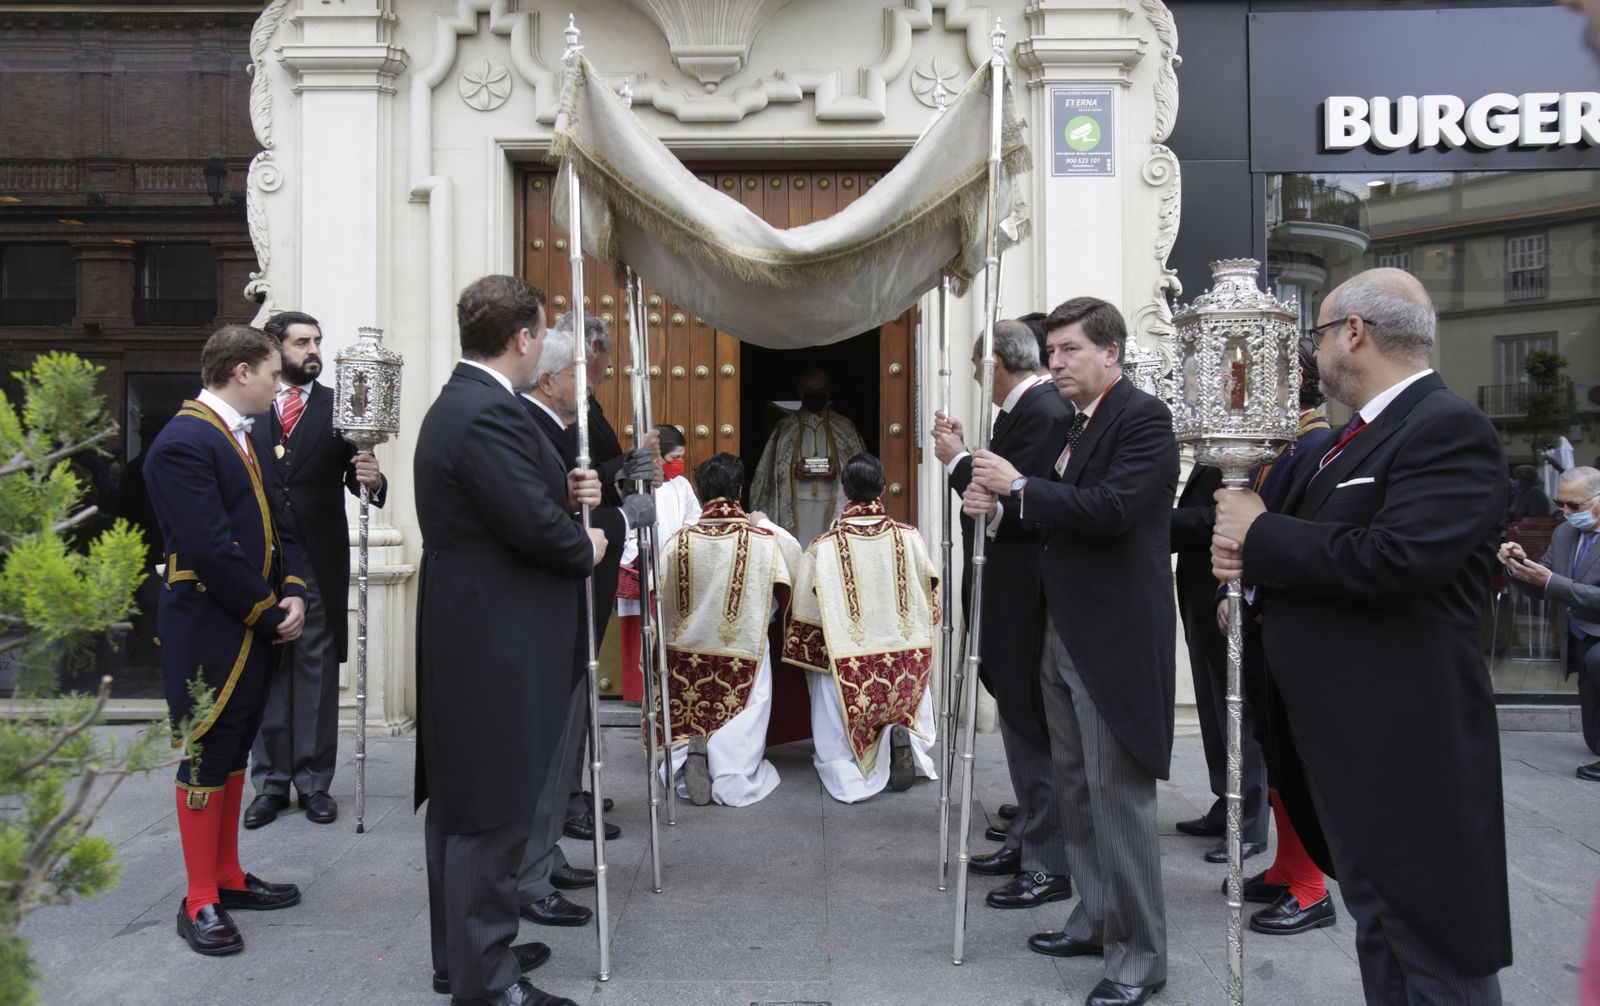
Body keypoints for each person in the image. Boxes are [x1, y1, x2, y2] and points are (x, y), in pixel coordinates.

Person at [1212, 267, 1512, 1003]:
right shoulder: (1351, 440)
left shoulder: (1447, 428)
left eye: (1316, 336)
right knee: (1381, 928)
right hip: (1345, 742)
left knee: (1434, 944)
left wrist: (1261, 534)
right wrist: (1252, 587)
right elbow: (1325, 555)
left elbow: (1400, 558)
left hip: (1405, 741)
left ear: (1354, 331)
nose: (1314, 357)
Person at [966, 297, 1177, 1006]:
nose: (1055, 363)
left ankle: (1141, 958)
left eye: (1069, 351)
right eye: (1050, 351)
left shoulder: (1142, 418)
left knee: (1117, 798)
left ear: (1111, 353)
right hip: (1060, 629)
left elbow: (1114, 508)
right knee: (1078, 788)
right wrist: (1004, 502)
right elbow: (1059, 503)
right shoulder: (1081, 422)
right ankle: (1093, 916)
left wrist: (1020, 487)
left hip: (1109, 635)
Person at [413, 274, 605, 1006]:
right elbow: (537, 531)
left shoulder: (469, 405)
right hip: (494, 642)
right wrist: (584, 538)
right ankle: (487, 984)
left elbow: (511, 503)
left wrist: (569, 495)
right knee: (489, 813)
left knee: (468, 808)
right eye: (543, 333)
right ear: (524, 339)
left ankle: (463, 955)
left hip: (478, 631)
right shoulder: (484, 414)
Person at [143, 323, 309, 957]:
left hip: (253, 619)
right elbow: (210, 548)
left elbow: (281, 524)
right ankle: (197, 899)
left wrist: (293, 588)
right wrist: (270, 612)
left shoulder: (246, 435)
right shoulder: (184, 441)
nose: (278, 384)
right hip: (212, 627)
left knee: (234, 749)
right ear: (241, 371)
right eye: (272, 373)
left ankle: (228, 877)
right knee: (206, 753)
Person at [930, 319, 1074, 910]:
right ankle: (1028, 837)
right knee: (1018, 716)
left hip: (1022, 589)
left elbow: (1024, 502)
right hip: (1006, 586)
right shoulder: (1024, 411)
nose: (972, 375)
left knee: (1030, 718)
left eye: (976, 365)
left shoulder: (1042, 412)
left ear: (995, 364)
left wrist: (956, 457)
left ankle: (1048, 858)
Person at [512, 321, 644, 929]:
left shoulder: (558, 425)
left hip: (561, 602)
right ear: (549, 378)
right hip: (547, 604)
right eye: (575, 375)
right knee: (545, 742)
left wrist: (612, 492)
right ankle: (530, 870)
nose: (584, 384)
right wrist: (620, 514)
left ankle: (544, 854)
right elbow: (558, 528)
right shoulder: (527, 430)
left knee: (566, 732)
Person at [241, 311, 387, 830]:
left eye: (318, 341)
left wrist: (372, 476)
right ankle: (271, 785)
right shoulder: (248, 407)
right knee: (268, 671)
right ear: (275, 349)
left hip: (320, 562)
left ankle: (313, 783)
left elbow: (365, 486)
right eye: (303, 342)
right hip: (261, 561)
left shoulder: (339, 406)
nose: (314, 350)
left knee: (317, 671)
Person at [1217, 338, 1338, 938]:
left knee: (1297, 757)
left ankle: (1312, 886)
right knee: (1275, 749)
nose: (1233, 391)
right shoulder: (1281, 444)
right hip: (1262, 615)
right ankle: (1289, 866)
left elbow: (1288, 533)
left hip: (1288, 622)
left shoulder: (1316, 444)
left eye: (1246, 379)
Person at [784, 453, 939, 803]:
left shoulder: (823, 547)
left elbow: (807, 612)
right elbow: (929, 595)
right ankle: (902, 737)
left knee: (830, 681)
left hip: (850, 660)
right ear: (883, 489)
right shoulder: (909, 537)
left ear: (843, 490)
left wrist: (809, 653)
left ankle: (847, 762)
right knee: (906, 681)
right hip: (903, 657)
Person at [556, 313, 655, 846]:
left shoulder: (586, 402)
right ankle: (566, 795)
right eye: (606, 353)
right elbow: (571, 475)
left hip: (594, 555)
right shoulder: (564, 406)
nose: (610, 364)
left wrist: (625, 467)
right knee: (573, 680)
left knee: (584, 680)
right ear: (587, 350)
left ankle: (575, 786)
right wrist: (626, 467)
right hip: (577, 557)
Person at [657, 452, 798, 806]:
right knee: (741, 730)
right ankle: (730, 767)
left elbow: (657, 597)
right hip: (742, 651)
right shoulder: (763, 540)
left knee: (688, 715)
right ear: (739, 492)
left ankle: (687, 755)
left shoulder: (677, 541)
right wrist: (765, 524)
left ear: (701, 494)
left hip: (685, 655)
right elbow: (791, 575)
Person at [1171, 455, 1268, 863]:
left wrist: (1156, 521)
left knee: (1237, 711)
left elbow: (1229, 515)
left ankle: (1249, 822)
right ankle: (1224, 802)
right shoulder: (1211, 447)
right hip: (1198, 591)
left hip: (1224, 593)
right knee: (1212, 707)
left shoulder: (1249, 446)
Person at [1500, 465, 1600, 780]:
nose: (1566, 512)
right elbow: (1543, 582)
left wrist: (1552, 581)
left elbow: (1555, 583)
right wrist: (1517, 566)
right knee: (1595, 742)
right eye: (1561, 505)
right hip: (1579, 637)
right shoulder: (1565, 532)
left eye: (1575, 505)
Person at [617, 424, 700, 702]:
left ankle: (668, 691)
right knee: (642, 626)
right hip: (644, 565)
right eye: (674, 456)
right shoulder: (635, 484)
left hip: (674, 566)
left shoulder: (682, 484)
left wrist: (681, 541)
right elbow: (623, 521)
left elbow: (694, 516)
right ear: (657, 456)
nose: (679, 463)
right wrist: (637, 548)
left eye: (681, 457)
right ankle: (641, 693)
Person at [750, 368, 866, 545]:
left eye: (820, 391)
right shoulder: (785, 428)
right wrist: (792, 469)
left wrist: (839, 471)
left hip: (832, 502)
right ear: (799, 391)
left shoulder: (845, 427)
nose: (815, 395)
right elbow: (769, 472)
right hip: (797, 505)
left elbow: (859, 468)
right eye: (810, 391)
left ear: (828, 391)